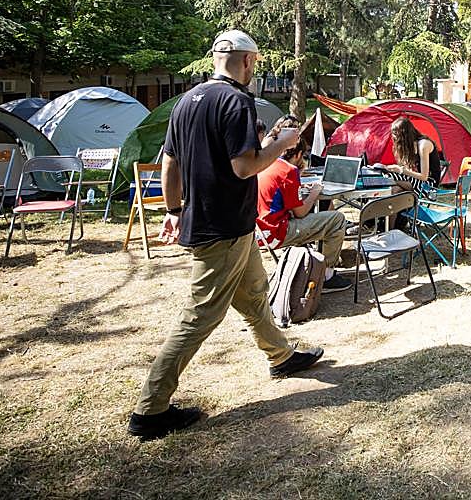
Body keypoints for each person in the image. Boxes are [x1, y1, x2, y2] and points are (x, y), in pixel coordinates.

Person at [127, 30, 324, 441]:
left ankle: (281, 356)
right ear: (249, 62)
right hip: (223, 228)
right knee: (200, 314)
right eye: (256, 64)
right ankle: (151, 409)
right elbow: (244, 167)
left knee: (254, 295)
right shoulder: (236, 100)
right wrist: (284, 142)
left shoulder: (187, 100)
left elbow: (169, 163)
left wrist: (173, 210)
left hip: (219, 223)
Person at [256, 117, 353, 292]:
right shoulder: (288, 171)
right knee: (337, 219)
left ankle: (315, 264)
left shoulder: (269, 164)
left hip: (261, 232)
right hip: (278, 233)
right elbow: (300, 213)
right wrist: (315, 193)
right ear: (299, 155)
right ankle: (326, 276)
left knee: (324, 217)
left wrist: (300, 185)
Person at [381, 116, 444, 194]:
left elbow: (424, 177)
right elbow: (411, 171)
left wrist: (401, 170)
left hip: (428, 185)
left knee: (389, 177)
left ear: (404, 135)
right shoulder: (409, 146)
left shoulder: (423, 145)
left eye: (396, 135)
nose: (395, 138)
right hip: (415, 181)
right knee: (394, 188)